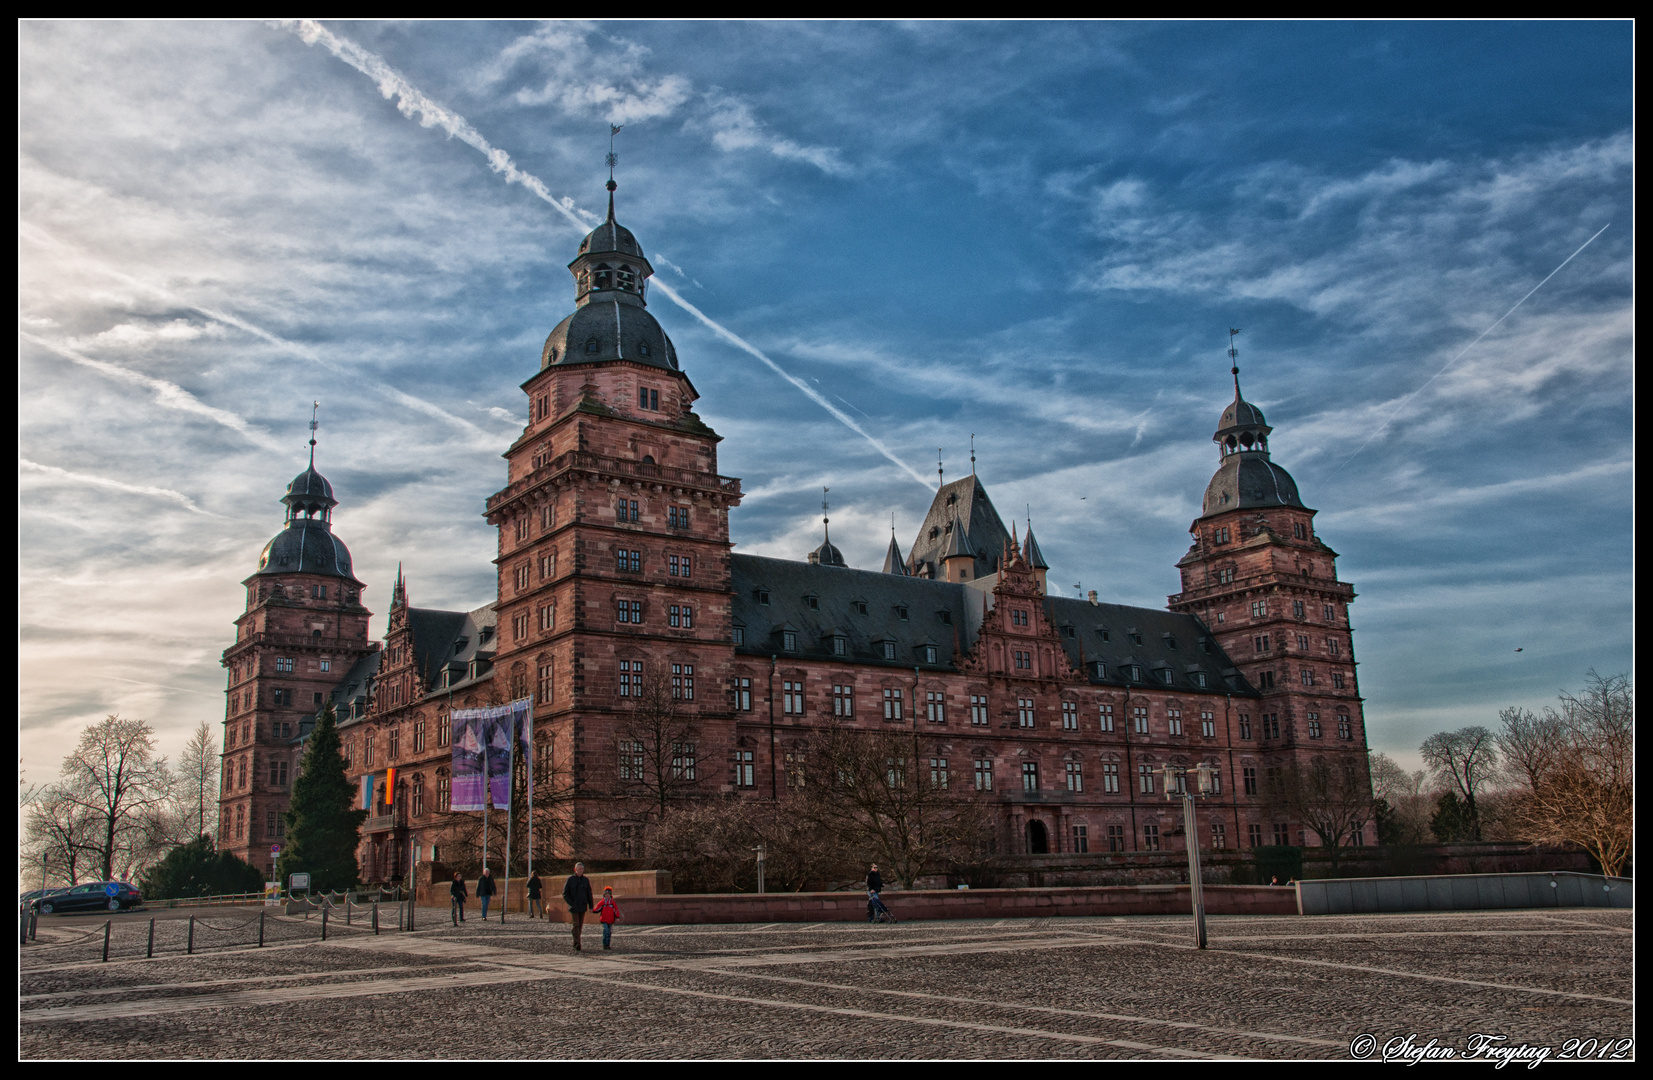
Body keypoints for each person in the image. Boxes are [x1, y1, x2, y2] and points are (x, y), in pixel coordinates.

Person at [562, 861, 594, 951]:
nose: (580, 870)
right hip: (574, 906)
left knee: (580, 925)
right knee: (576, 924)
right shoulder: (570, 879)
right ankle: (577, 944)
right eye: (578, 869)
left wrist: (591, 906)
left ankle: (576, 941)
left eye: (582, 869)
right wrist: (571, 903)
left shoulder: (586, 880)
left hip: (582, 905)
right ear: (575, 870)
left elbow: (589, 894)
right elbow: (565, 893)